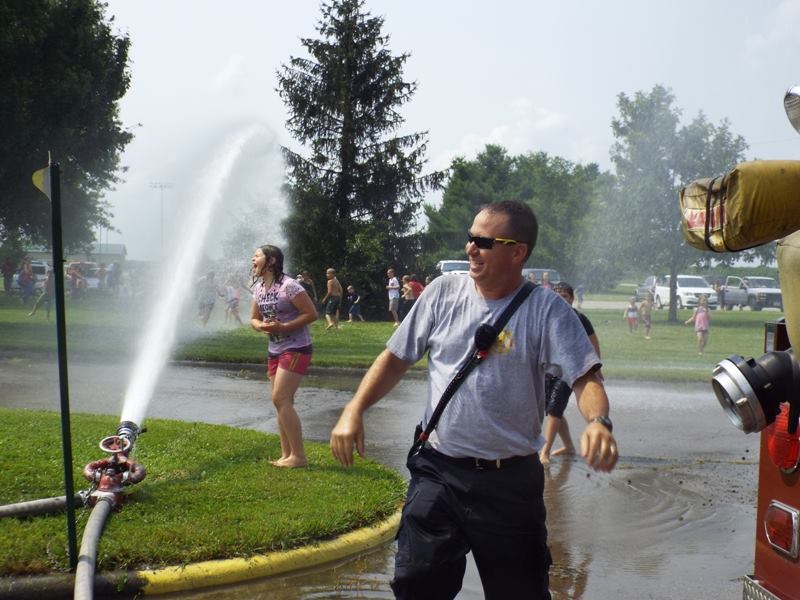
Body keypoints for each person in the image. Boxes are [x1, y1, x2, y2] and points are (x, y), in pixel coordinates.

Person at [330, 200, 617, 599]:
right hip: (438, 470)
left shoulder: (547, 310)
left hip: (510, 483)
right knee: (417, 584)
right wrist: (354, 409)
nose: (470, 248)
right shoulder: (442, 292)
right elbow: (395, 358)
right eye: (470, 238)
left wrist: (598, 422)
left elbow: (586, 377)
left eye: (483, 242)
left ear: (517, 252)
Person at [250, 244, 317, 468]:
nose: (252, 260)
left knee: (280, 398)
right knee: (282, 402)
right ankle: (286, 455)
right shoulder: (259, 288)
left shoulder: (290, 286)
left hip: (296, 348)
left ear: (271, 261)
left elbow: (311, 314)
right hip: (274, 350)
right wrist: (262, 326)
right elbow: (254, 319)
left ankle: (299, 457)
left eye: (257, 256)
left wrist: (284, 327)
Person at [539, 282, 602, 465]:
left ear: (572, 299)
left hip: (571, 371)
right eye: (557, 296)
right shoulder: (548, 317)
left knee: (554, 409)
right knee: (552, 409)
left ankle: (545, 452)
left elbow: (593, 343)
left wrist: (596, 369)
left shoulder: (579, 318)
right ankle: (568, 446)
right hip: (550, 369)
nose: (561, 300)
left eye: (565, 296)